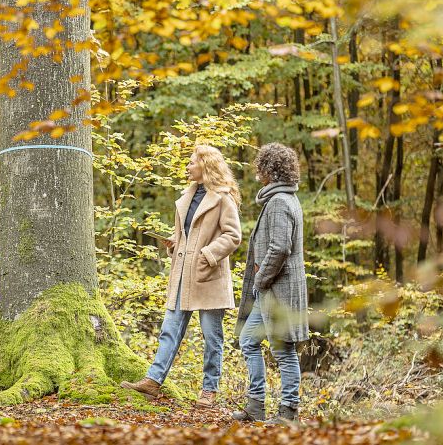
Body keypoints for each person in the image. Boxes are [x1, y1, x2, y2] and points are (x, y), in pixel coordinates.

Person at [121, 145, 242, 408]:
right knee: (169, 329)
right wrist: (174, 242)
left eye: (191, 163)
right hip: (182, 276)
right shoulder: (186, 197)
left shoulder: (223, 198)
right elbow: (186, 236)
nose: (187, 167)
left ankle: (209, 391)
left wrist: (207, 255)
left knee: (212, 337)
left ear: (206, 165)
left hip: (208, 277)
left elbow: (233, 236)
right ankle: (153, 380)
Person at [232, 143, 309, 424]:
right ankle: (255, 406)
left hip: (278, 290)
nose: (257, 171)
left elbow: (279, 248)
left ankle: (289, 413)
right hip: (271, 289)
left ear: (269, 170)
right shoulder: (282, 198)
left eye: (260, 166)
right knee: (248, 340)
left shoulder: (279, 202)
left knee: (283, 350)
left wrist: (261, 279)